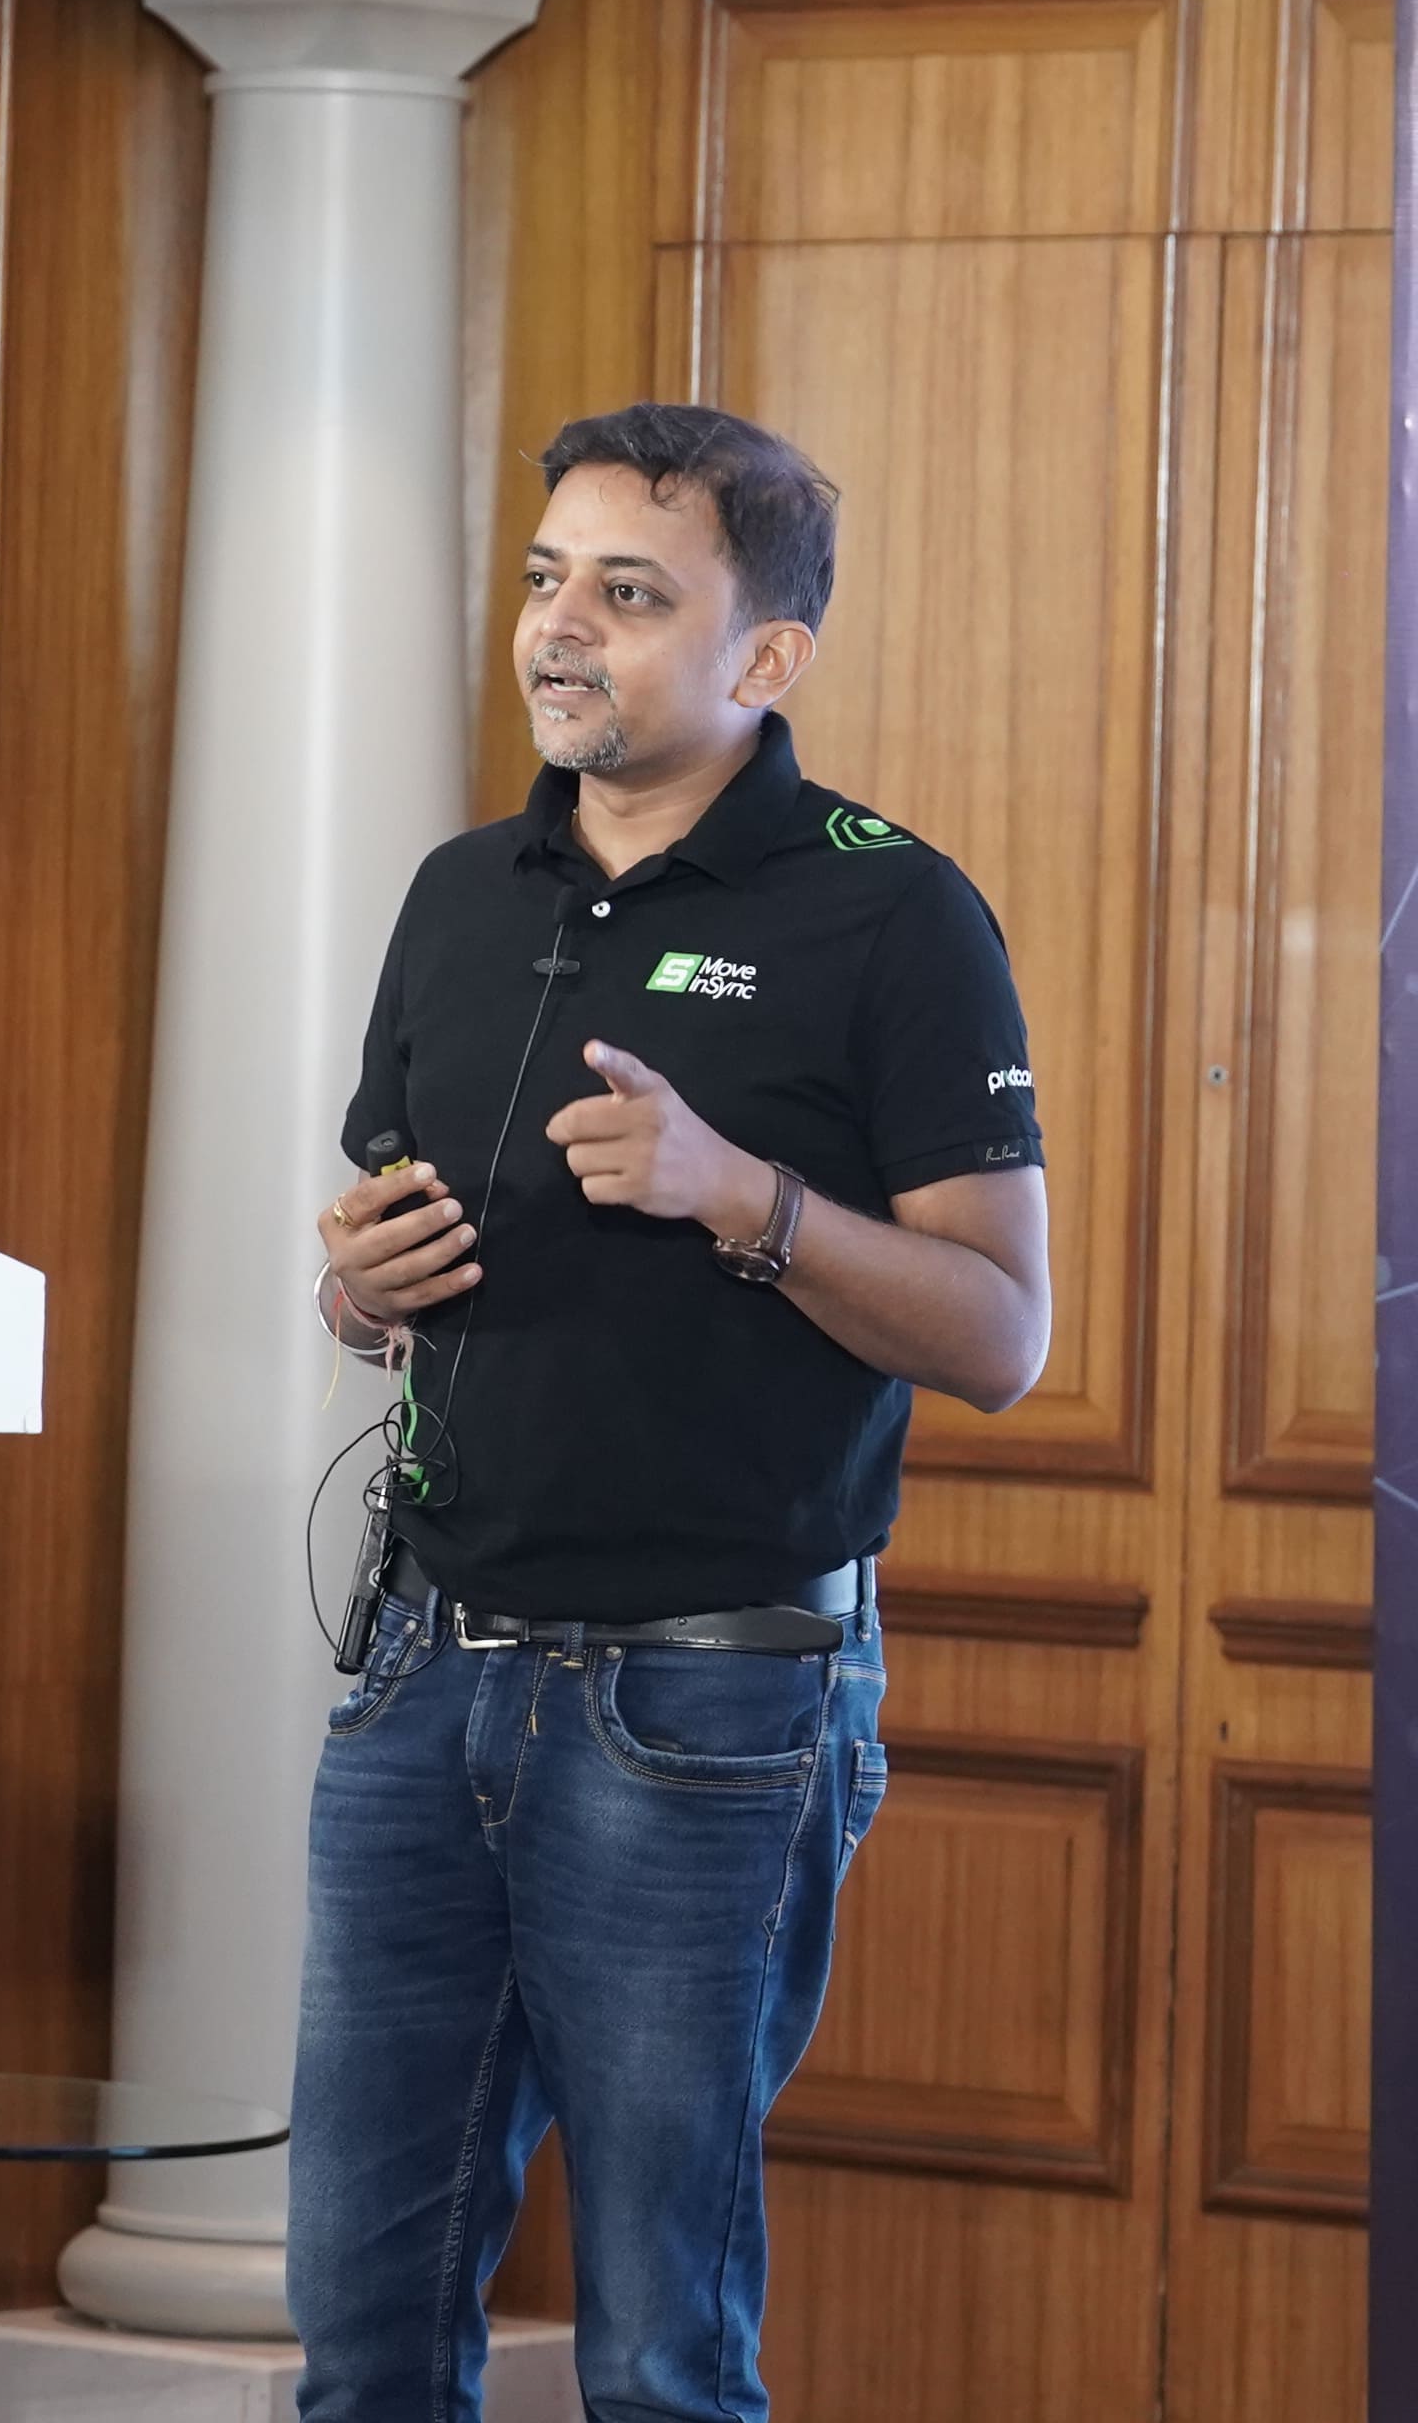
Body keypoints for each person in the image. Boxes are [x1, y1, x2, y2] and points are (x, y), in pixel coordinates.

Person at [293, 403, 1051, 2422]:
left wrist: (746, 1197)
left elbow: (1000, 1330)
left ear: (767, 655)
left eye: (629, 594)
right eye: (549, 578)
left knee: (658, 2352)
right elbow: (380, 1279)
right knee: (357, 2328)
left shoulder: (894, 912)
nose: (560, 628)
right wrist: (358, 1289)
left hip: (705, 1702)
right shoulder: (463, 892)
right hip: (422, 1677)